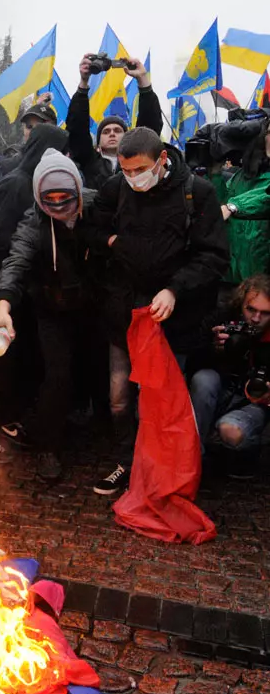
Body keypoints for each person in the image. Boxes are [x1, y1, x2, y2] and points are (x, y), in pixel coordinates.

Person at [88, 126, 229, 495]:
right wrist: (111, 240)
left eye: (140, 170)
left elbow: (213, 256)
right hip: (123, 313)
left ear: (162, 160)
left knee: (160, 404)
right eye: (126, 170)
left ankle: (160, 473)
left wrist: (175, 289)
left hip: (172, 320)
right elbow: (90, 228)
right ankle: (127, 462)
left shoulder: (197, 193)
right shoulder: (115, 188)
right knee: (119, 399)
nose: (134, 179)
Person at [0, 150, 96, 480]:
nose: (61, 207)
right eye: (52, 200)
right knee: (57, 375)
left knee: (100, 375)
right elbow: (14, 263)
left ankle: (108, 443)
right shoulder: (33, 222)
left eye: (68, 198)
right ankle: (48, 447)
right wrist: (2, 306)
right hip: (54, 308)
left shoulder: (99, 206)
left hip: (96, 305)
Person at [0, 124, 70, 457]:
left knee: (19, 360)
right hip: (2, 284)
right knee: (0, 361)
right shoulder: (16, 183)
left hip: (25, 290)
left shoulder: (39, 183)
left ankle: (7, 420)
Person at [189, 275, 270, 480]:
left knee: (231, 431)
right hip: (222, 389)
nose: (256, 319)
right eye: (251, 309)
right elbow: (191, 365)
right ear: (241, 302)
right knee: (203, 379)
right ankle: (193, 457)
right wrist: (214, 348)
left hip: (254, 402)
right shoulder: (222, 319)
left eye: (265, 313)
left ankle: (248, 450)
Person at [68, 54, 163, 190]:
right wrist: (84, 81)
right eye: (106, 132)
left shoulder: (138, 158)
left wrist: (142, 79)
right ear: (98, 142)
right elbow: (77, 128)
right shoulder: (89, 162)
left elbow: (150, 127)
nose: (112, 134)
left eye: (118, 130)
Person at [210, 118, 270, 285]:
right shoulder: (241, 176)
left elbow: (266, 196)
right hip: (230, 275)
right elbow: (220, 204)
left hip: (261, 279)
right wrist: (215, 173)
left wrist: (235, 206)